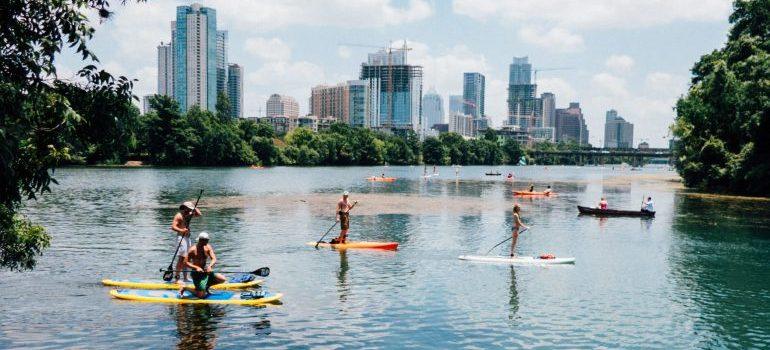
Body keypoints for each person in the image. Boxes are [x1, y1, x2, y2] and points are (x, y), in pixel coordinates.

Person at [177, 232, 226, 299]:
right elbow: (185, 262)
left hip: (206, 271)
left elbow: (214, 259)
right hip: (196, 274)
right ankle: (185, 287)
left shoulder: (208, 247)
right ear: (201, 240)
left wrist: (210, 266)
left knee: (222, 279)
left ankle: (205, 287)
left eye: (208, 240)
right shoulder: (192, 250)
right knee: (201, 296)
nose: (208, 242)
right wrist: (196, 267)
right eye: (206, 240)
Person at [171, 201, 201, 282]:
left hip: (187, 238)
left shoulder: (189, 214)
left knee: (187, 258)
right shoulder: (178, 215)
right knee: (181, 258)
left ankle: (185, 278)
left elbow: (199, 214)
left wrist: (194, 207)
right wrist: (181, 230)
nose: (189, 210)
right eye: (188, 209)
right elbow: (173, 227)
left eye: (190, 209)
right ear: (184, 208)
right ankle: (177, 279)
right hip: (181, 238)